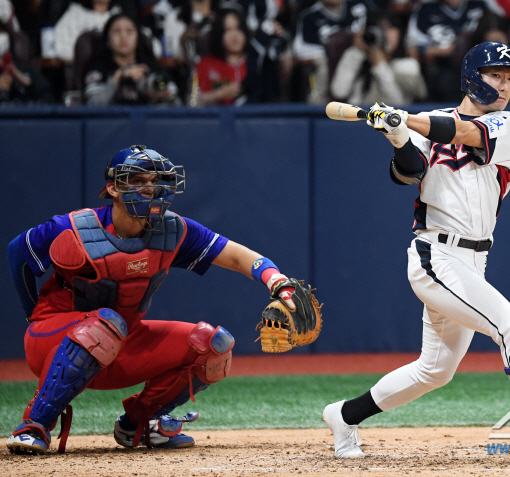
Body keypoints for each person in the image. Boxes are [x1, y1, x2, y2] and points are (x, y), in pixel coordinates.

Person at [322, 41, 510, 460]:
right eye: (496, 76)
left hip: (475, 261)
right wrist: (397, 134)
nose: (505, 85)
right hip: (435, 257)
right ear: (474, 77)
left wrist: (411, 120)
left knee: (434, 371)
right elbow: (409, 172)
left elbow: (463, 132)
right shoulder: (426, 125)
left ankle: (344, 415)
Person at [6, 145, 304, 455]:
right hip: (53, 340)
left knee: (213, 346)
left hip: (121, 341)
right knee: (104, 325)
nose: (149, 188)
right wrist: (34, 317)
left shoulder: (171, 230)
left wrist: (277, 281)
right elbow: (18, 253)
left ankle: (138, 423)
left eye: (154, 181)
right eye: (137, 181)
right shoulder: (75, 228)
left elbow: (237, 256)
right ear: (113, 188)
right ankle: (35, 424)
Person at [329, 13, 427, 105]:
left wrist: (380, 66)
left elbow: (398, 105)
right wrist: (357, 52)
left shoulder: (407, 66)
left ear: (399, 32)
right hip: (358, 120)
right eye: (380, 28)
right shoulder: (356, 56)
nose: (385, 34)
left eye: (390, 28)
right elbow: (339, 92)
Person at [83, 13, 179, 105]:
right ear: (107, 40)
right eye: (117, 31)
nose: (123, 36)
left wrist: (165, 94)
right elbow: (93, 104)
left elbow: (176, 103)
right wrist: (117, 78)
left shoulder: (151, 67)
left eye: (129, 31)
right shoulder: (97, 70)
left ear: (138, 38)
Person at [192, 8, 275, 105]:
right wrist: (218, 94)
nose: (234, 35)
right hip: (215, 118)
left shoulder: (257, 62)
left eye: (238, 29)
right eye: (228, 30)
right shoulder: (205, 65)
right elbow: (191, 101)